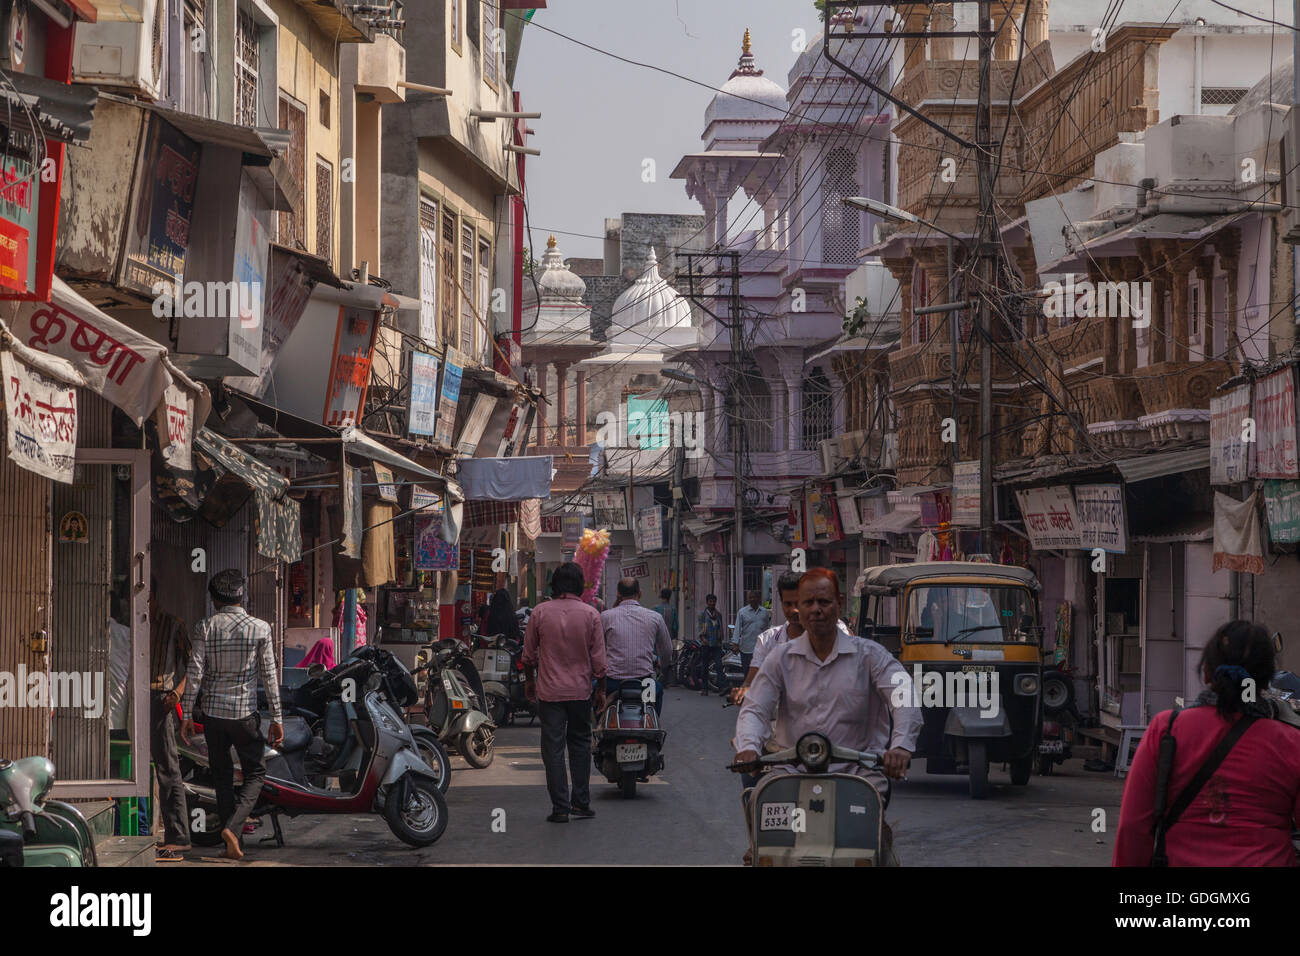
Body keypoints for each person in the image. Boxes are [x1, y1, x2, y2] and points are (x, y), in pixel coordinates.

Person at [733, 569, 922, 860]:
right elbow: (756, 707)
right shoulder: (780, 658)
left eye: (823, 602)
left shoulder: (870, 655)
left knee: (866, 851)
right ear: (799, 608)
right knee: (765, 839)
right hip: (791, 770)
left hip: (858, 773)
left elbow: (904, 695)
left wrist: (900, 746)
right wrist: (748, 747)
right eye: (808, 603)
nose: (815, 610)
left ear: (839, 604)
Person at [1113, 620, 1300, 867]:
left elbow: (1133, 827)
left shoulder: (1167, 729)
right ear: (1266, 680)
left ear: (1207, 673)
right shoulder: (1291, 742)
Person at [179, 569, 283, 861]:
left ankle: (231, 839)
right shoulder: (260, 628)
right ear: (242, 596)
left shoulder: (205, 627)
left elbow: (195, 672)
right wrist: (277, 718)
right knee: (257, 771)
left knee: (222, 775)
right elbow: (269, 676)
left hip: (213, 716)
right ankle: (233, 830)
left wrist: (187, 712)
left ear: (214, 600)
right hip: (244, 715)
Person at [522, 561, 607, 823]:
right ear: (580, 586)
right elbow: (600, 664)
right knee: (580, 745)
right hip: (580, 692)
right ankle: (580, 802)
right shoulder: (590, 614)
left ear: (554, 585)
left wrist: (529, 683)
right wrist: (601, 691)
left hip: (549, 694)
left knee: (553, 749)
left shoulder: (539, 612)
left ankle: (560, 807)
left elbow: (528, 657)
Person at [148, 577, 191, 862]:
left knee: (167, 767)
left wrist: (177, 693)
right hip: (134, 697)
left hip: (160, 698)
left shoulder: (173, 624)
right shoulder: (130, 623)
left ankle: (178, 836)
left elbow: (191, 664)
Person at [601, 578, 673, 717]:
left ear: (618, 594)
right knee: (655, 696)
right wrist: (663, 666)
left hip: (613, 683)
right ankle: (652, 727)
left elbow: (598, 650)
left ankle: (599, 730)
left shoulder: (606, 617)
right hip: (644, 682)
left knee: (596, 698)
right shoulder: (654, 617)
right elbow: (667, 650)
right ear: (639, 593)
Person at [734, 590, 771, 673]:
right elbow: (737, 628)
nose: (752, 599)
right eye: (750, 597)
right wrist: (735, 644)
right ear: (748, 599)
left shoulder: (764, 612)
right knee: (747, 672)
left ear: (759, 599)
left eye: (754, 597)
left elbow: (767, 629)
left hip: (760, 648)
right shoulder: (742, 612)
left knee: (760, 673)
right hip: (746, 648)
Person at [696, 593, 725, 696]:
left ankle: (722, 688)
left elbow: (721, 628)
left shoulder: (718, 615)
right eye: (710, 601)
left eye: (713, 601)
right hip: (706, 644)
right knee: (704, 667)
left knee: (719, 666)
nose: (712, 603)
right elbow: (700, 629)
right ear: (707, 602)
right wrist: (703, 638)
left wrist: (722, 638)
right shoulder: (702, 615)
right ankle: (704, 688)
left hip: (716, 644)